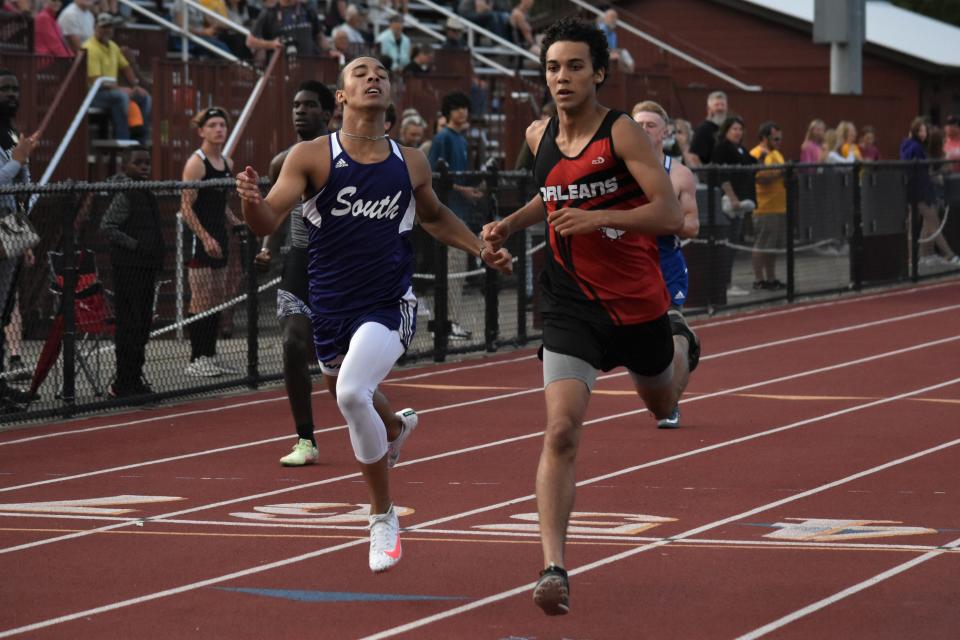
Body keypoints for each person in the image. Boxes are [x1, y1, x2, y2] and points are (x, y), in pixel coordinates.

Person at [235, 56, 512, 573]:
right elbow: (266, 219)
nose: (373, 76)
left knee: (347, 392)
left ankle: (382, 515)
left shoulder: (410, 161)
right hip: (330, 310)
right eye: (360, 71)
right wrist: (251, 200)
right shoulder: (313, 155)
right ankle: (396, 427)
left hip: (389, 305)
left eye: (382, 72)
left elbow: (433, 217)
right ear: (341, 95)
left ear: (391, 95)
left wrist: (480, 248)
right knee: (349, 384)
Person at [481, 18, 694, 616]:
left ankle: (682, 347)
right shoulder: (536, 135)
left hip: (636, 303)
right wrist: (506, 226)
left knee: (663, 400)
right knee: (561, 429)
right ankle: (554, 567)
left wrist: (603, 219)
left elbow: (671, 216)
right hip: (570, 302)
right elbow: (550, 197)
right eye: (553, 67)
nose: (563, 77)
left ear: (598, 71)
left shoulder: (623, 133)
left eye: (575, 66)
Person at [255, 81, 335, 466]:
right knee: (292, 343)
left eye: (310, 105)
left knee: (345, 367)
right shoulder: (281, 161)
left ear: (328, 113)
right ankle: (305, 438)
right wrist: (267, 246)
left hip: (343, 264)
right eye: (296, 105)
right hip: (301, 260)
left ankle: (378, 421)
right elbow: (275, 209)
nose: (300, 111)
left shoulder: (345, 155)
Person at [631, 100, 700, 427]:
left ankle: (670, 402)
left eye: (650, 125)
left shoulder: (679, 173)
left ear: (665, 132)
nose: (643, 130)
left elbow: (691, 226)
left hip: (664, 268)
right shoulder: (613, 172)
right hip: (622, 268)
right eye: (638, 124)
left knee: (672, 337)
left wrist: (652, 220)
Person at [181, 106, 243, 377]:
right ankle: (197, 358)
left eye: (222, 125)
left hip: (220, 235)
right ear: (202, 131)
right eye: (213, 125)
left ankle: (211, 355)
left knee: (218, 298)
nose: (219, 129)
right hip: (200, 238)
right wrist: (204, 237)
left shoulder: (227, 163)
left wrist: (235, 221)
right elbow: (186, 207)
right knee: (201, 298)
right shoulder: (197, 163)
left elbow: (222, 202)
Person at [100, 147, 164, 398]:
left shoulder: (145, 192)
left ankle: (134, 379)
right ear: (125, 165)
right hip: (129, 268)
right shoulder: (126, 194)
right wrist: (135, 245)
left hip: (146, 267)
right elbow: (108, 226)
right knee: (130, 324)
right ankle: (123, 382)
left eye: (147, 163)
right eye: (138, 163)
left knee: (141, 325)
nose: (144, 167)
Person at [427, 90, 484, 340]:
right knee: (451, 272)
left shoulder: (461, 139)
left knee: (457, 274)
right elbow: (436, 176)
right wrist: (465, 191)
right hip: (448, 214)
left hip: (461, 213)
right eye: (458, 108)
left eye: (465, 108)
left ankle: (452, 321)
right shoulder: (443, 138)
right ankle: (447, 323)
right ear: (448, 112)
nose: (463, 112)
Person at [0, 69, 39, 411]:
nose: (11, 94)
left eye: (14, 88)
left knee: (4, 305)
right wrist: (17, 162)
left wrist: (24, 168)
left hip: (10, 223)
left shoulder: (11, 132)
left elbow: (21, 185)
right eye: (4, 88)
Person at [84, 13, 153, 144]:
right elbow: (96, 80)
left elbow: (125, 67)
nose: (107, 30)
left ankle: (140, 141)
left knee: (145, 97)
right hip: (93, 94)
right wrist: (121, 89)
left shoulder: (113, 46)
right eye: (103, 27)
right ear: (95, 28)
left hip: (112, 91)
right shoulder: (90, 47)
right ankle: (123, 141)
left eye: (110, 27)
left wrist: (135, 86)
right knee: (121, 97)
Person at [711, 114, 756, 297]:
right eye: (733, 129)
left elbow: (754, 163)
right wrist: (732, 197)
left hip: (742, 203)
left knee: (734, 242)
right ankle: (724, 283)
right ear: (726, 131)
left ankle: (727, 281)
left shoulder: (742, 150)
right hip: (727, 203)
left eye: (740, 129)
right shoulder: (721, 149)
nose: (737, 132)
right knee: (727, 243)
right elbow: (723, 176)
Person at [749, 121, 787, 289]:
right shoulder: (757, 153)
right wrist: (779, 172)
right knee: (762, 244)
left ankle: (771, 279)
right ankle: (759, 280)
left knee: (773, 247)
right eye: (775, 138)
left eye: (780, 138)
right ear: (765, 137)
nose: (778, 141)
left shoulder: (776, 154)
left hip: (779, 206)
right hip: (764, 207)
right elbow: (759, 177)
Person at [689, 90, 727, 165]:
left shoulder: (726, 129)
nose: (720, 108)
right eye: (716, 105)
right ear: (709, 108)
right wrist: (704, 175)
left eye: (723, 105)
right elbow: (694, 156)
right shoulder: (703, 129)